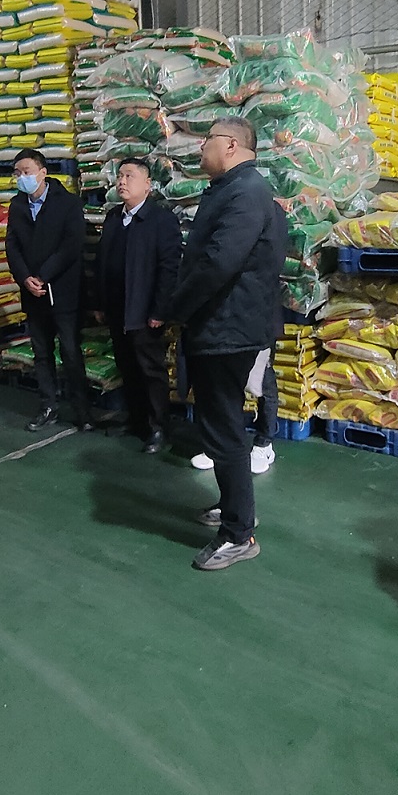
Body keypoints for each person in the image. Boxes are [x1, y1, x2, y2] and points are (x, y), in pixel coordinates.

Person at [166, 117, 284, 571]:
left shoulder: (246, 192)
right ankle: (234, 506)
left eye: (206, 140)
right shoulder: (232, 189)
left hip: (227, 330)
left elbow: (218, 263)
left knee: (225, 429)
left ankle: (238, 533)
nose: (200, 148)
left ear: (231, 145)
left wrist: (176, 308)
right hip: (220, 326)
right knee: (220, 425)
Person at [93, 156, 182, 453]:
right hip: (117, 309)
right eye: (120, 176)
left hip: (144, 312)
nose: (122, 181)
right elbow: (102, 263)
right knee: (127, 367)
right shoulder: (114, 217)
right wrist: (100, 303)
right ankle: (136, 420)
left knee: (150, 371)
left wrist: (159, 310)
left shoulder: (160, 219)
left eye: (129, 176)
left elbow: (169, 268)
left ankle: (159, 428)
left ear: (147, 184)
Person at [6, 148, 92, 433]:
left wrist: (43, 276)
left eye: (27, 171)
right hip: (33, 293)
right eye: (17, 173)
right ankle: (48, 406)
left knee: (70, 351)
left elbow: (71, 245)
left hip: (63, 291)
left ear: (43, 172)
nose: (22, 177)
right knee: (41, 353)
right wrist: (25, 278)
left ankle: (82, 411)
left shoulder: (67, 203)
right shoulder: (17, 206)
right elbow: (12, 246)